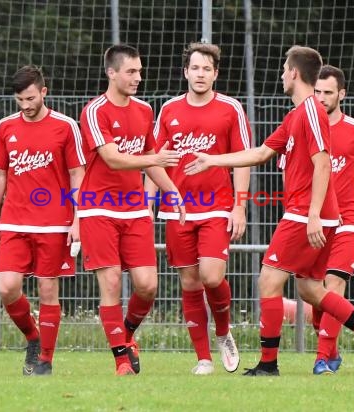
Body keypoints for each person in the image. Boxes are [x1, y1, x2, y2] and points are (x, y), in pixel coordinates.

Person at [185, 45, 354, 377]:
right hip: (312, 215)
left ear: (294, 73)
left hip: (303, 215)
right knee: (310, 289)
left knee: (268, 280)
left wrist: (313, 214)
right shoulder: (297, 114)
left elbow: (323, 163)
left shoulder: (311, 110)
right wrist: (213, 159)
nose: (281, 75)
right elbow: (259, 154)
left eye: (284, 69)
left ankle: (268, 364)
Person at [144, 42, 251, 375]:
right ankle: (203, 358)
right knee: (190, 282)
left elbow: (243, 160)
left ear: (215, 74)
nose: (201, 74)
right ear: (186, 72)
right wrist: (151, 202)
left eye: (207, 68)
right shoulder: (170, 110)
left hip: (217, 207)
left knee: (211, 275)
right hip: (178, 210)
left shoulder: (231, 109)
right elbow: (153, 159)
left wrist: (239, 207)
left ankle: (223, 332)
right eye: (195, 68)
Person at [78, 44, 185, 376]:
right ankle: (121, 361)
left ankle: (125, 335)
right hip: (97, 208)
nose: (138, 77)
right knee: (110, 283)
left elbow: (150, 158)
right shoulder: (94, 111)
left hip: (135, 210)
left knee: (147, 285)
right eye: (131, 72)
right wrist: (154, 159)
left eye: (139, 71)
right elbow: (112, 158)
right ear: (111, 73)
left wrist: (173, 192)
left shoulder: (143, 110)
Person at [0, 65, 85, 375]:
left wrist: (77, 220)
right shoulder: (6, 127)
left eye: (30, 98)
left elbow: (77, 176)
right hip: (14, 222)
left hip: (54, 223)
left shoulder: (66, 127)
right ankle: (33, 336)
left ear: (43, 92)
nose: (25, 106)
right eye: (19, 100)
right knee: (7, 288)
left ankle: (45, 360)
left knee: (47, 291)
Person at [309, 65, 354, 374]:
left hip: (347, 223)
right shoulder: (305, 128)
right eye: (317, 92)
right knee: (316, 298)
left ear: (341, 94)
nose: (322, 98)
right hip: (313, 224)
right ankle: (333, 349)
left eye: (328, 92)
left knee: (334, 284)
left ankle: (322, 360)